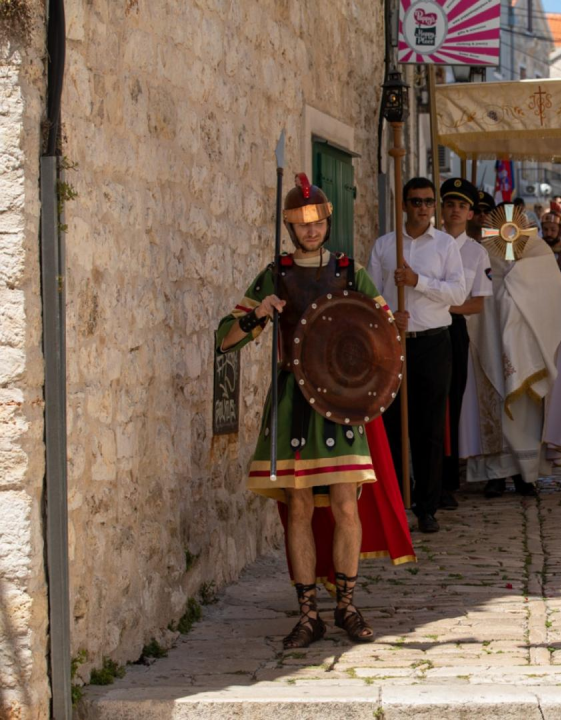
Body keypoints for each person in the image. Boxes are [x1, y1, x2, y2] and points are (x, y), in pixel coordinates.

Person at [216, 174, 414, 649]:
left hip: (340, 402)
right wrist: (258, 314)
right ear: (289, 226)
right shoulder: (275, 274)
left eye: (317, 221)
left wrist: (392, 326)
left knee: (346, 506)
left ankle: (346, 605)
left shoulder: (350, 271)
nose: (310, 230)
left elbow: (382, 329)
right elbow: (225, 338)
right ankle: (308, 614)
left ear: (327, 221)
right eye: (301, 223)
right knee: (299, 507)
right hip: (292, 403)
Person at [460, 202, 561, 497]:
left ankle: (525, 475)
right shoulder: (485, 253)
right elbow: (478, 292)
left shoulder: (539, 252)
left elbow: (554, 300)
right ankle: (493, 475)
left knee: (526, 412)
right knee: (492, 403)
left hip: (531, 347)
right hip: (489, 336)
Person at [369, 177, 467, 533]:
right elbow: (371, 294)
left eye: (428, 202)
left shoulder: (444, 245)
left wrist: (417, 282)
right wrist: (388, 315)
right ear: (405, 205)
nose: (423, 207)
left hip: (432, 342)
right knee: (394, 424)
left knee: (428, 427)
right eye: (416, 201)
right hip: (394, 343)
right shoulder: (384, 246)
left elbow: (458, 293)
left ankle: (427, 506)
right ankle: (397, 502)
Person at [440, 178, 493, 510]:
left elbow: (477, 303)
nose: (455, 210)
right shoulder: (428, 243)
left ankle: (447, 478)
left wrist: (441, 307)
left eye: (462, 205)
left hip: (452, 329)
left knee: (451, 404)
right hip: (424, 331)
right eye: (450, 204)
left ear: (471, 213)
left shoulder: (477, 252)